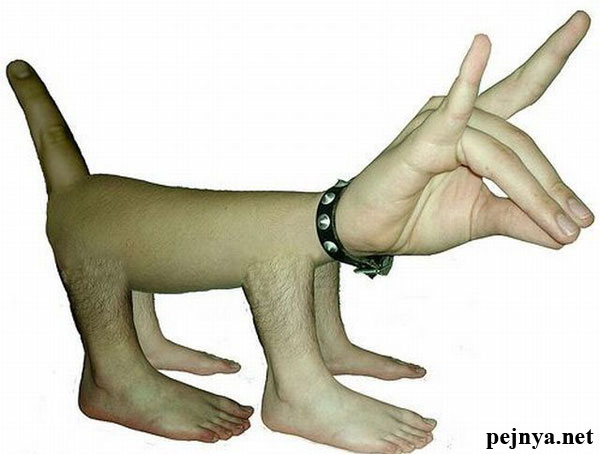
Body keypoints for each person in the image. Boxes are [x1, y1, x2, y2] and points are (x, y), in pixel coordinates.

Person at [6, 10, 593, 454]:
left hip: (116, 212)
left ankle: (311, 347)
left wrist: (350, 218)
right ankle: (127, 376)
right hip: (90, 231)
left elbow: (318, 231)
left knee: (298, 231)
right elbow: (283, 247)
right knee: (259, 246)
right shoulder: (84, 219)